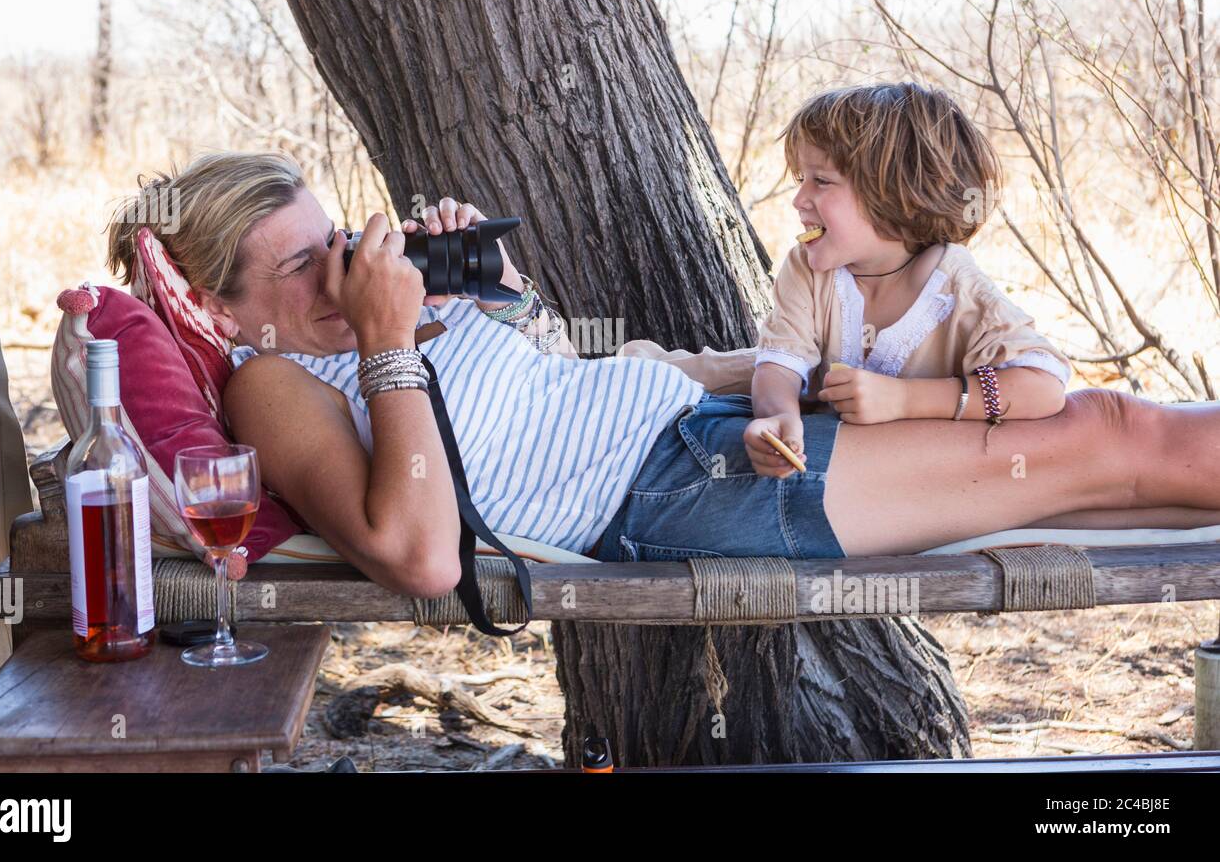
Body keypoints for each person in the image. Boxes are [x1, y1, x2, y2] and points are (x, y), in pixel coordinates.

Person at [106, 152, 1220, 597]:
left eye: (336, 236)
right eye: (301, 265)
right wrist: (391, 335)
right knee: (1103, 441)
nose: (343, 268)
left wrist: (493, 291)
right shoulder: (272, 381)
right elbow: (419, 552)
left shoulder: (378, 338)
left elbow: (546, 392)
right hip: (682, 487)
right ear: (226, 311)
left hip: (707, 423)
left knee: (1102, 449)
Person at [745, 83, 1069, 473]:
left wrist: (904, 399)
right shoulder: (807, 269)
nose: (799, 199)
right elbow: (780, 363)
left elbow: (1044, 386)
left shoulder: (953, 285)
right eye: (801, 179)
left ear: (898, 194)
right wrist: (776, 417)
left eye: (822, 181)